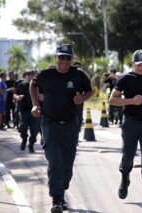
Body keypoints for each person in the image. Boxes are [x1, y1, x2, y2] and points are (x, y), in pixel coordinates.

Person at [30, 44, 93, 213]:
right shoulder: (46, 74)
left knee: (67, 164)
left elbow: (90, 91)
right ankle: (56, 200)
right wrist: (35, 105)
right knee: (55, 162)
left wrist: (82, 99)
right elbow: (33, 85)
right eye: (61, 57)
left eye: (68, 58)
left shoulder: (78, 74)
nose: (64, 61)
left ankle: (62, 189)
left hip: (70, 124)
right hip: (49, 123)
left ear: (72, 59)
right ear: (55, 57)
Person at [109, 49, 142, 208]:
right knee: (128, 155)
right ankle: (125, 178)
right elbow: (112, 100)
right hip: (129, 123)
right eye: (138, 64)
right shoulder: (125, 79)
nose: (141, 67)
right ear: (133, 63)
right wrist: (130, 101)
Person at [14, 70, 40, 153]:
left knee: (35, 130)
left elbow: (43, 95)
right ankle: (24, 139)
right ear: (25, 76)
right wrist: (17, 97)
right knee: (22, 128)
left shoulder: (37, 85)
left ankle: (31, 145)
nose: (30, 77)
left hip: (35, 111)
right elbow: (15, 94)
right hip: (24, 111)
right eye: (28, 75)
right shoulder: (21, 85)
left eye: (32, 75)